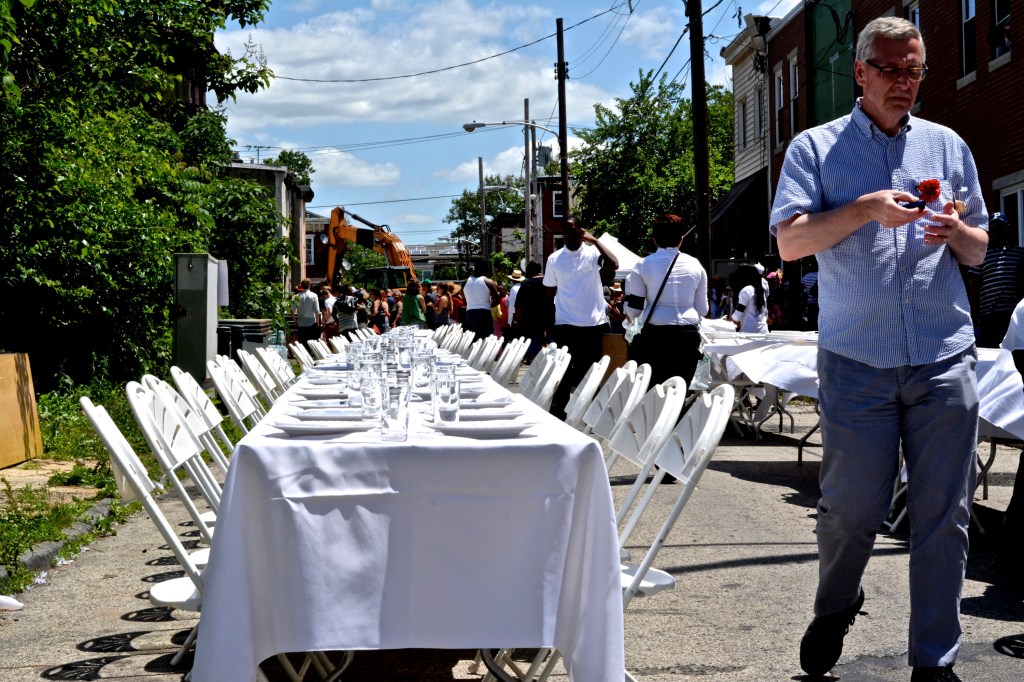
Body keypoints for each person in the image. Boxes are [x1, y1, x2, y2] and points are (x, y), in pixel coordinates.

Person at [770, 17, 989, 682]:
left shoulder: (948, 147)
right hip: (857, 359)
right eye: (891, 69)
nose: (904, 82)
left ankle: (935, 662)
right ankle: (837, 604)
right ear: (860, 73)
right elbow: (790, 243)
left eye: (914, 70)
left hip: (942, 353)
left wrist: (956, 231)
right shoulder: (815, 150)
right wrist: (863, 209)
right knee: (850, 511)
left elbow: (981, 250)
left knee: (943, 517)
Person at [543, 216, 618, 419]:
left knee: (592, 371)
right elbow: (549, 292)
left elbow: (614, 264)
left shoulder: (593, 253)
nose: (568, 235)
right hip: (565, 323)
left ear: (581, 231)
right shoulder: (554, 259)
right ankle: (559, 411)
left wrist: (595, 241)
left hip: (593, 324)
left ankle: (589, 413)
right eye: (565, 232)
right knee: (563, 370)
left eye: (572, 231)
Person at [623, 214, 708, 387]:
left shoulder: (643, 265)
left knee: (655, 391)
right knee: (680, 391)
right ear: (681, 239)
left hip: (656, 336)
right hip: (687, 337)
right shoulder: (696, 265)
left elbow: (635, 310)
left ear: (655, 239)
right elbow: (703, 309)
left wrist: (625, 307)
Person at [968, 212, 1024, 347]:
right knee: (992, 353)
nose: (995, 230)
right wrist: (975, 318)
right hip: (990, 315)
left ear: (1007, 228)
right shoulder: (980, 254)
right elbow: (973, 288)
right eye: (992, 227)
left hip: (1014, 314)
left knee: (1014, 351)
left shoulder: (1019, 253)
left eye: (999, 226)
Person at [514, 261, 554, 361]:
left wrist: (516, 320)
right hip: (549, 319)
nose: (525, 271)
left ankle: (536, 367)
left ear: (532, 270)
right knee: (550, 348)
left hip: (531, 322)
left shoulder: (526, 284)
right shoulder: (550, 282)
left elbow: (519, 306)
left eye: (527, 269)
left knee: (533, 352)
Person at [729, 264, 769, 333]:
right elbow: (765, 313)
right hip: (763, 331)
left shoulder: (746, 291)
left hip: (749, 333)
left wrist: (729, 318)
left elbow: (737, 316)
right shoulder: (760, 290)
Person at [463, 272, 500, 340]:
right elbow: (497, 300)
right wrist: (488, 305)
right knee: (486, 340)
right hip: (484, 313)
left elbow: (464, 302)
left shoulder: (465, 282)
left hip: (470, 313)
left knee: (471, 340)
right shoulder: (489, 282)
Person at [291, 279, 321, 353]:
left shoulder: (296, 297)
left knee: (303, 345)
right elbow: (317, 311)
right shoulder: (314, 295)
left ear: (301, 285)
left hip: (301, 322)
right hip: (311, 322)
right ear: (310, 285)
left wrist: (295, 321)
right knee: (312, 345)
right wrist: (318, 323)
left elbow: (292, 310)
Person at [506, 269, 525, 336]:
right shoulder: (522, 286)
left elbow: (512, 307)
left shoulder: (513, 289)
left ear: (512, 280)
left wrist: (510, 321)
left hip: (515, 317)